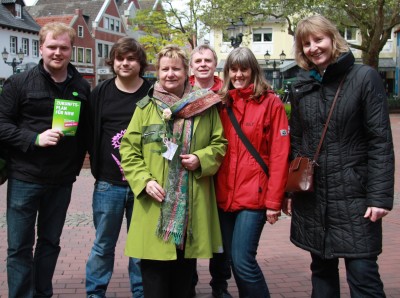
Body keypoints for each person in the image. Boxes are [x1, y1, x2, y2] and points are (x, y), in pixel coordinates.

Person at [283, 15, 394, 297]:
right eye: (306, 43)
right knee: (321, 274)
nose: (313, 48)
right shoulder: (301, 87)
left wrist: (379, 198)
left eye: (318, 39)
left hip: (354, 196)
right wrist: (292, 190)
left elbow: (380, 141)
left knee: (363, 275)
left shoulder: (363, 78)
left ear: (333, 39)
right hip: (314, 198)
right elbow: (298, 142)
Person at [119, 44, 227, 298]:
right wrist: (144, 181)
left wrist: (201, 158)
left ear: (186, 71)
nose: (170, 74)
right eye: (164, 69)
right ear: (157, 72)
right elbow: (129, 149)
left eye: (176, 68)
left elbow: (219, 144)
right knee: (154, 282)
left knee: (183, 282)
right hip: (155, 203)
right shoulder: (145, 108)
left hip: (190, 205)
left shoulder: (206, 107)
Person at [0, 22, 90, 297]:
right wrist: (34, 138)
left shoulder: (81, 86)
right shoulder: (19, 82)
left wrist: (74, 170)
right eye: (52, 46)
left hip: (61, 180)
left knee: (50, 243)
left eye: (64, 47)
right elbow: (1, 123)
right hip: (25, 176)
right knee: (19, 247)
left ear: (71, 50)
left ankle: (43, 293)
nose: (57, 52)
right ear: (41, 48)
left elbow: (85, 132)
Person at [216, 47, 290, 297]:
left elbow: (280, 156)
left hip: (254, 195)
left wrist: (273, 202)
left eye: (243, 69)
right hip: (224, 195)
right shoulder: (222, 101)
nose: (238, 75)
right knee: (233, 260)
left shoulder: (271, 103)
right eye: (233, 69)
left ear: (253, 71)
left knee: (243, 261)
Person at [85, 37, 151, 298]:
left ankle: (141, 291)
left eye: (131, 58)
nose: (125, 63)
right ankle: (95, 293)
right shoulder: (100, 93)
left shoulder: (151, 93)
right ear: (113, 62)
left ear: (140, 63)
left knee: (140, 246)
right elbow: (89, 130)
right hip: (108, 183)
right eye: (120, 58)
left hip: (144, 183)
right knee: (103, 244)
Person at [188, 44, 232, 298]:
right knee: (191, 231)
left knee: (221, 235)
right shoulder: (184, 91)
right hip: (192, 170)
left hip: (224, 170)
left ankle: (220, 283)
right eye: (198, 61)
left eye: (208, 60)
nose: (203, 64)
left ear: (215, 64)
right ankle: (189, 282)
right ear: (192, 66)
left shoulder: (227, 93)